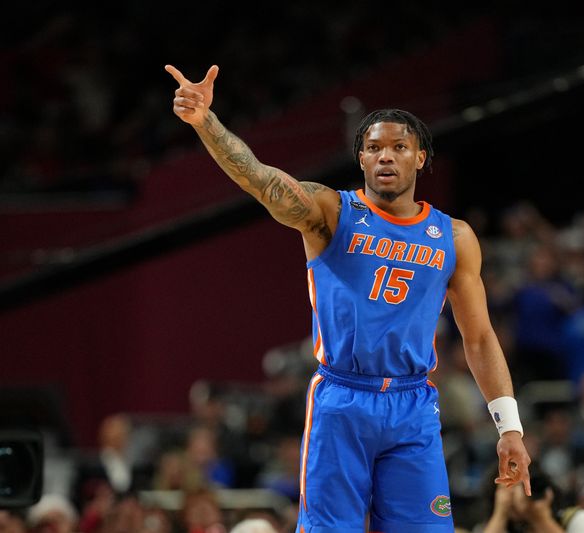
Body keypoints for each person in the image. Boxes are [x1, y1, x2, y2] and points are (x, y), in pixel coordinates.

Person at [166, 64, 531, 533]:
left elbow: (479, 338)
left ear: (420, 158)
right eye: (374, 148)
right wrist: (206, 123)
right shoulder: (332, 213)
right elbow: (259, 179)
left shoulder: (454, 237)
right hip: (342, 397)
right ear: (361, 158)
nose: (386, 157)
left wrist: (510, 427)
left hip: (413, 402)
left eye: (399, 147)